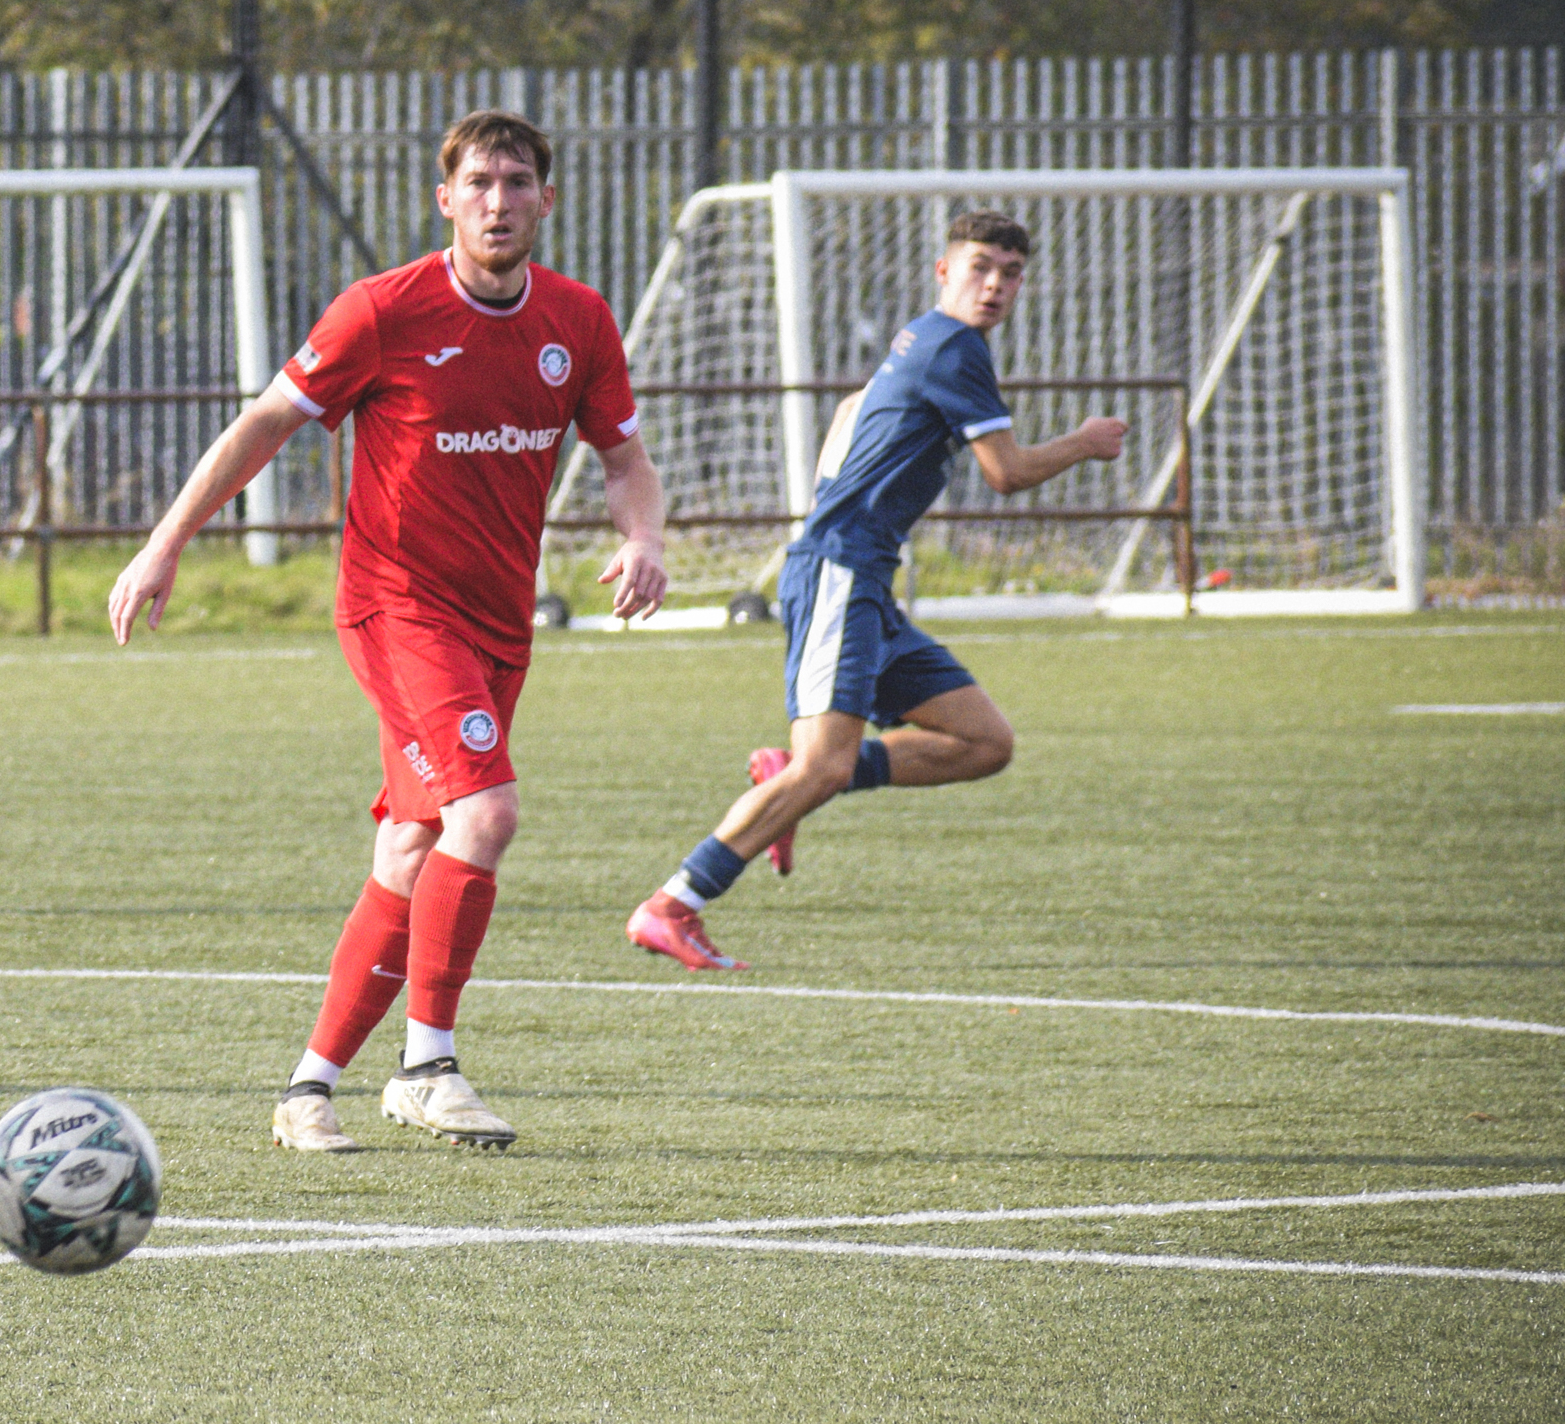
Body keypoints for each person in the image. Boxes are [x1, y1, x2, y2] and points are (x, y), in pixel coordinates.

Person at [109, 109, 668, 1154]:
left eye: (517, 182)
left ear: (547, 198)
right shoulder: (384, 309)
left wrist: (643, 536)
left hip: (500, 623)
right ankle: (428, 1064)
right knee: (487, 813)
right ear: (445, 199)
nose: (498, 201)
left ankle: (307, 1089)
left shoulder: (579, 321)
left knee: (415, 844)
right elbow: (263, 422)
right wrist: (166, 542)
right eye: (480, 183)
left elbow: (627, 456)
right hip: (397, 605)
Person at [626, 210, 1128, 972]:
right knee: (820, 766)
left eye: (1011, 273)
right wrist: (1085, 444)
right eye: (980, 266)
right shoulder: (955, 348)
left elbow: (847, 413)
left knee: (985, 743)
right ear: (944, 269)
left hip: (865, 578)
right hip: (839, 571)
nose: (994, 285)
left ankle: (784, 777)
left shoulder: (920, 339)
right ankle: (673, 904)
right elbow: (1006, 472)